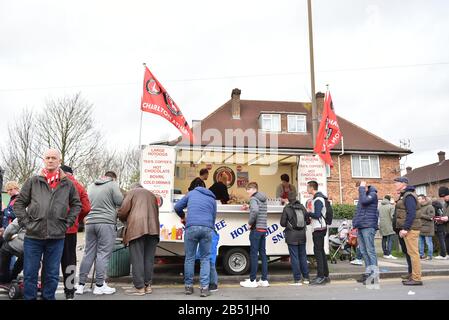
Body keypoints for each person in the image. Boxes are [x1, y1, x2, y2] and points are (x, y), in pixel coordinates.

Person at [14, 149, 81, 300]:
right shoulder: (33, 181)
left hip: (57, 236)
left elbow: (77, 205)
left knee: (51, 274)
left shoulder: (68, 184)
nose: (50, 160)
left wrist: (67, 223)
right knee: (30, 274)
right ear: (44, 160)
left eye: (53, 158)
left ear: (59, 161)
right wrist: (26, 223)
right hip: (33, 236)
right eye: (47, 158)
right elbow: (18, 204)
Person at [76, 171, 123, 296]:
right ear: (113, 178)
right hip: (106, 223)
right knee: (103, 254)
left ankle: (80, 285)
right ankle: (99, 285)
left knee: (88, 253)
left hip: (90, 223)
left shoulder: (91, 185)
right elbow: (120, 201)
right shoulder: (112, 184)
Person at [118, 182, 160, 296]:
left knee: (137, 258)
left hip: (137, 229)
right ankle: (148, 286)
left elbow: (122, 211)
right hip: (153, 229)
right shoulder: (152, 195)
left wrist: (124, 219)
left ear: (133, 188)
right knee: (149, 259)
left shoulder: (132, 193)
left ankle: (140, 288)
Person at [174, 185, 217, 297]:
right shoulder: (212, 198)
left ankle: (188, 287)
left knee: (190, 258)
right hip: (207, 228)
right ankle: (204, 289)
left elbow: (177, 207)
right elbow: (213, 217)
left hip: (191, 227)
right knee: (205, 259)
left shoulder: (191, 193)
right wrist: (209, 228)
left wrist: (183, 217)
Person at [59, 165, 91, 300]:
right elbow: (86, 207)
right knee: (69, 260)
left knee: (51, 260)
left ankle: (46, 289)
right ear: (71, 173)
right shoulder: (78, 185)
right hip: (70, 229)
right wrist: (77, 219)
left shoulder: (54, 182)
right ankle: (69, 291)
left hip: (52, 228)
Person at [240, 182, 269, 288]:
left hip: (256, 229)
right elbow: (259, 209)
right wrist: (249, 207)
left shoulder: (253, 199)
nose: (247, 192)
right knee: (263, 254)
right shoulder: (262, 197)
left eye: (248, 189)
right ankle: (264, 280)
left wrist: (249, 223)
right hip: (263, 228)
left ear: (253, 189)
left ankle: (252, 280)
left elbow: (255, 211)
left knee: (253, 255)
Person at [394, 177, 422, 286]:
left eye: (397, 183)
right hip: (410, 229)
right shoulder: (405, 194)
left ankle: (416, 278)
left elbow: (411, 213)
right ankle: (413, 275)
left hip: (411, 229)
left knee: (414, 254)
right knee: (411, 253)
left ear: (404, 184)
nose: (395, 184)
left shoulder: (409, 196)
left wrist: (405, 228)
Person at [280, 192, 310, 286]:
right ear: (296, 198)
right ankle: (306, 278)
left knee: (294, 257)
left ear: (288, 199)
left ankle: (297, 279)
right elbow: (308, 221)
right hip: (302, 235)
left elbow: (282, 223)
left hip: (291, 236)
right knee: (303, 256)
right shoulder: (302, 207)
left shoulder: (287, 208)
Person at [352, 182, 379, 285]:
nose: (359, 190)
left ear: (365, 187)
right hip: (361, 226)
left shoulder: (373, 194)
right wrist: (355, 225)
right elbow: (358, 212)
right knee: (363, 251)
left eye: (360, 188)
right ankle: (368, 274)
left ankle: (374, 276)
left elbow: (364, 201)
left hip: (368, 226)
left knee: (370, 251)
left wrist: (362, 188)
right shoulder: (364, 195)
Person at [306, 180, 330, 286]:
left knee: (318, 252)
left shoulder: (318, 199)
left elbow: (317, 215)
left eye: (308, 187)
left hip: (319, 229)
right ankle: (325, 275)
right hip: (320, 228)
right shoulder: (318, 198)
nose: (307, 189)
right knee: (321, 252)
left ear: (312, 188)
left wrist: (307, 212)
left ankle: (321, 277)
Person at [0, 218, 25, 284]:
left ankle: (4, 277)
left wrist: (6, 238)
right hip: (37, 246)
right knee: (25, 256)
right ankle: (14, 275)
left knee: (4, 249)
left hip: (23, 243)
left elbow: (10, 229)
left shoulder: (27, 211)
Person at [379, 195, 397, 259]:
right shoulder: (391, 206)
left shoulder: (380, 207)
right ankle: (389, 254)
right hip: (389, 225)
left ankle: (385, 253)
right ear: (389, 199)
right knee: (390, 240)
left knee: (384, 239)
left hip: (382, 225)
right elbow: (392, 217)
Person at [417, 195, 435, 261]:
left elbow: (431, 217)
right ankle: (421, 255)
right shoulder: (419, 207)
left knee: (428, 242)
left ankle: (430, 256)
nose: (418, 200)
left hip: (428, 228)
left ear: (424, 199)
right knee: (420, 242)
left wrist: (421, 215)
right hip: (420, 227)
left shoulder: (430, 207)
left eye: (419, 199)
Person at [438, 187, 449, 258]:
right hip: (447, 230)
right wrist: (440, 219)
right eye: (442, 197)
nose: (444, 198)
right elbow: (444, 215)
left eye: (445, 196)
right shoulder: (445, 204)